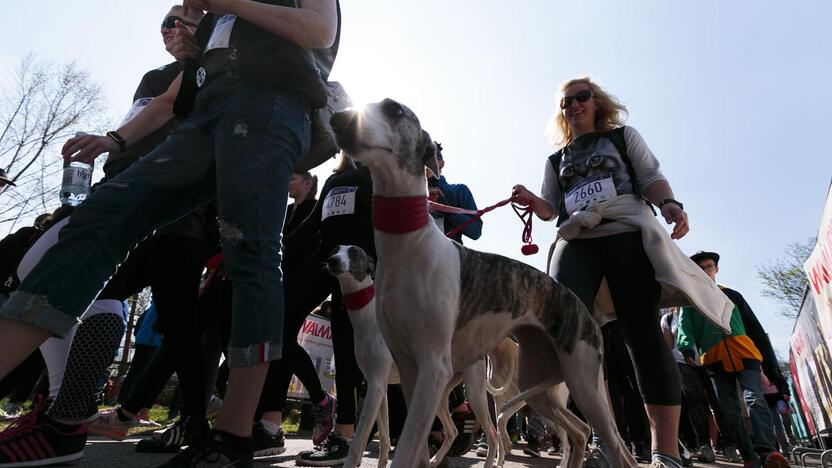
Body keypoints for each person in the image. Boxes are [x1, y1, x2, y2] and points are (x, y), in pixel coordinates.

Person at [0, 1, 339, 466]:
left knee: (252, 251)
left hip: (272, 104)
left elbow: (320, 29)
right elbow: (169, 99)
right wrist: (115, 140)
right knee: (99, 217)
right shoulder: (216, 24)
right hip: (206, 114)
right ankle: (53, 404)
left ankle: (233, 435)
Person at [512, 76, 690, 468]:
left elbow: (650, 176)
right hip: (576, 237)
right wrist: (531, 200)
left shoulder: (624, 137)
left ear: (597, 102)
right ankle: (605, 442)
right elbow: (549, 208)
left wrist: (670, 203)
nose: (573, 105)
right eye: (565, 102)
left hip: (625, 228)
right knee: (569, 334)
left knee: (640, 332)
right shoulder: (555, 159)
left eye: (582, 97)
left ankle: (667, 452)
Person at [677, 251, 790, 468]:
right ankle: (749, 456)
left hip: (746, 354)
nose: (705, 271)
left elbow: (755, 329)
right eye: (700, 268)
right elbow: (685, 329)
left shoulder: (732, 295)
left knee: (754, 399)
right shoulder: (690, 300)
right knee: (728, 411)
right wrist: (687, 348)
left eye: (709, 267)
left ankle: (768, 452)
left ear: (716, 269)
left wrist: (770, 369)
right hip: (714, 359)